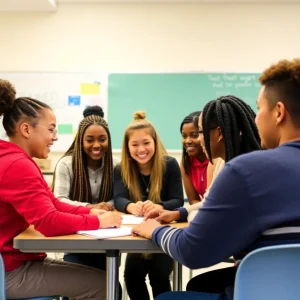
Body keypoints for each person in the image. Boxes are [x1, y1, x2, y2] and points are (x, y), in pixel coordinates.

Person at [132, 58, 300, 300]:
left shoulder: (246, 171)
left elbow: (193, 252)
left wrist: (156, 231)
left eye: (260, 108)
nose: (255, 119)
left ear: (279, 112)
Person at [0, 79, 122, 299]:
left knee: (104, 281)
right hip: (10, 271)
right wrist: (97, 222)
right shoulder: (18, 165)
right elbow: (47, 222)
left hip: (16, 262)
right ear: (26, 129)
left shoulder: (14, 158)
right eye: (51, 129)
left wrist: (89, 211)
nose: (55, 137)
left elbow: (53, 203)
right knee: (107, 286)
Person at [145, 95, 261, 224]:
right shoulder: (222, 163)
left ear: (219, 133)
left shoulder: (240, 171)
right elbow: (208, 203)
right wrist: (177, 213)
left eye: (199, 132)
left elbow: (208, 219)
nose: (199, 140)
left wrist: (156, 231)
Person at [52, 105, 121, 299]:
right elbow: (59, 200)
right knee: (74, 291)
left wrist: (106, 205)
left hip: (108, 240)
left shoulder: (115, 165)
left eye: (102, 139)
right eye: (90, 140)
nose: (96, 145)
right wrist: (89, 208)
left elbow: (120, 199)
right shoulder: (67, 164)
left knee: (111, 289)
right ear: (80, 140)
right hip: (75, 239)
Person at [113, 111, 184, 300]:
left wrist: (158, 206)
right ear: (127, 147)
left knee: (159, 276)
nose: (141, 149)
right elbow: (118, 198)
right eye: (134, 144)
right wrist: (131, 206)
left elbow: (177, 200)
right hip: (138, 233)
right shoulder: (121, 169)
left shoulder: (169, 164)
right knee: (132, 276)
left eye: (146, 143)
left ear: (155, 142)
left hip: (163, 231)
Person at [180, 111, 210, 204]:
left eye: (195, 135)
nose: (188, 141)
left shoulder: (216, 161)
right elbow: (193, 200)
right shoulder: (186, 162)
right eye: (184, 136)